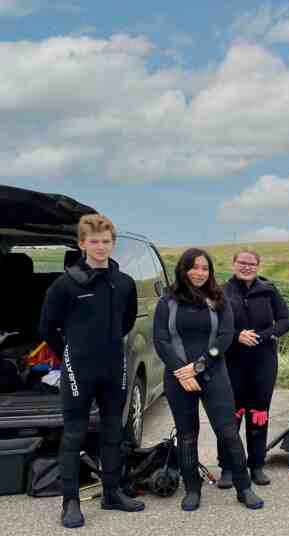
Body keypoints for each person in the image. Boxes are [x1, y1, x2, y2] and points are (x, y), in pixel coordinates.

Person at [39, 214, 145, 528]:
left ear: (113, 244)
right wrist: (69, 354)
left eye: (106, 241)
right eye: (94, 241)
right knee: (74, 434)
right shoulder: (65, 283)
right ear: (82, 243)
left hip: (114, 366)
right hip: (79, 368)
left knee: (114, 431)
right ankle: (70, 501)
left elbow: (127, 320)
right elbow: (46, 327)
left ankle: (112, 493)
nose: (101, 247)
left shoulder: (124, 282)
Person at [153, 249, 264, 511]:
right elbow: (161, 340)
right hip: (179, 378)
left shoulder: (218, 298)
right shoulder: (166, 301)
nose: (200, 273)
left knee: (228, 432)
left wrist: (197, 367)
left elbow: (225, 337)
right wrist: (182, 371)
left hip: (213, 374)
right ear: (183, 269)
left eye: (205, 268)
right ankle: (192, 490)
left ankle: (244, 487)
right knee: (187, 434)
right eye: (194, 267)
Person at [216, 249, 289, 488]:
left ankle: (256, 465)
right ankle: (227, 467)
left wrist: (262, 336)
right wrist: (237, 336)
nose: (246, 267)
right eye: (242, 262)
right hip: (232, 361)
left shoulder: (268, 290)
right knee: (231, 415)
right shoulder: (222, 291)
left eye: (251, 263)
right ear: (233, 263)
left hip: (263, 361)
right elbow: (214, 324)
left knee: (259, 414)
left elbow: (284, 321)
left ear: (257, 266)